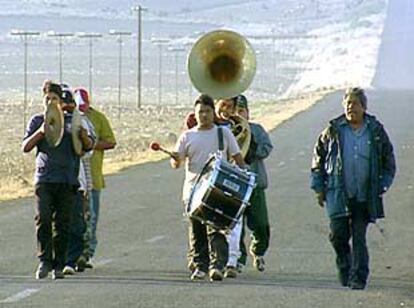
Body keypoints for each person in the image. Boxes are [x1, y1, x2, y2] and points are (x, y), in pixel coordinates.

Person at [310, 87, 396, 290]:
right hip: (337, 192)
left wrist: (382, 184)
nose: (351, 107)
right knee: (338, 236)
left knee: (359, 237)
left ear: (364, 107)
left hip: (365, 196)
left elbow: (389, 160)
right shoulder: (333, 130)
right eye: (347, 103)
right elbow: (318, 158)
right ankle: (345, 267)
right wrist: (318, 187)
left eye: (355, 103)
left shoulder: (375, 131)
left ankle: (359, 277)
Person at [22, 82, 94, 280]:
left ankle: (59, 264)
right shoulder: (37, 121)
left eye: (55, 99)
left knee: (63, 223)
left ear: (61, 102)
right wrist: (42, 132)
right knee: (43, 218)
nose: (51, 102)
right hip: (44, 178)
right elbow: (26, 147)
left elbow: (87, 147)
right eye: (48, 99)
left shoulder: (73, 121)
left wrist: (83, 137)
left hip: (67, 179)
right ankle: (44, 260)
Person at [171, 94, 245, 282]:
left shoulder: (224, 133)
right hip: (193, 191)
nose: (203, 115)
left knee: (217, 228)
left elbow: (237, 157)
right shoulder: (187, 136)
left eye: (207, 111)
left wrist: (241, 179)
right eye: (200, 112)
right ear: (194, 114)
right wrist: (175, 159)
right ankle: (200, 266)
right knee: (197, 230)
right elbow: (176, 163)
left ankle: (217, 266)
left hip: (218, 189)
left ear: (213, 112)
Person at [73, 88, 116, 266]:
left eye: (85, 106)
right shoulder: (70, 119)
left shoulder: (98, 118)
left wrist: (89, 144)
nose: (82, 109)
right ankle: (74, 253)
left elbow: (111, 142)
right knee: (76, 218)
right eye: (79, 107)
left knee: (91, 218)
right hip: (74, 177)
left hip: (94, 177)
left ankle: (88, 253)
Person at [234, 94, 273, 274]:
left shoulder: (257, 130)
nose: (238, 114)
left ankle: (258, 251)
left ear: (248, 112)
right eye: (235, 110)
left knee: (261, 223)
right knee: (236, 225)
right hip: (234, 185)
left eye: (241, 110)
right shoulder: (226, 130)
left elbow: (267, 148)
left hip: (255, 184)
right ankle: (238, 259)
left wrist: (252, 145)